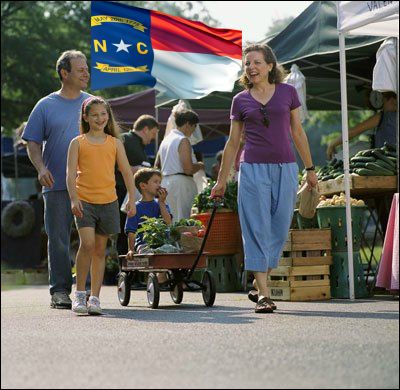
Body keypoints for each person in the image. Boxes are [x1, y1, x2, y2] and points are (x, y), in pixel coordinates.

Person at [211, 44, 318, 313]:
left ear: (270, 65)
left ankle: (260, 283)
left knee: (280, 227)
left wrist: (310, 169)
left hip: (285, 167)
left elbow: (298, 132)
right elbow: (233, 143)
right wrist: (222, 180)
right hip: (252, 168)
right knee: (256, 227)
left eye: (257, 62)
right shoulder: (240, 100)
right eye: (248, 63)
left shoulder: (288, 93)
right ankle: (264, 295)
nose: (251, 67)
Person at [22, 50, 91, 309]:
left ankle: (88, 291)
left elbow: (110, 140)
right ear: (65, 73)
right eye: (80, 69)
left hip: (90, 184)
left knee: (93, 239)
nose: (86, 73)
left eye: (87, 68)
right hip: (57, 186)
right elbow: (32, 141)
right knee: (59, 240)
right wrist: (40, 168)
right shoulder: (45, 105)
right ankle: (60, 292)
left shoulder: (93, 104)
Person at [66, 96, 136, 315]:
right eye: (94, 115)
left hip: (108, 202)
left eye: (103, 114)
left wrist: (132, 199)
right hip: (84, 201)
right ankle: (79, 294)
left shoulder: (115, 143)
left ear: (108, 116)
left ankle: (95, 298)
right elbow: (69, 174)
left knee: (99, 250)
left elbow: (126, 172)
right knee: (86, 244)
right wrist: (73, 198)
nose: (99, 118)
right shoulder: (77, 142)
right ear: (86, 117)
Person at [115, 115, 160, 255]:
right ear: (145, 129)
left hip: (132, 195)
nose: (152, 139)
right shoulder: (125, 139)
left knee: (132, 232)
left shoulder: (137, 144)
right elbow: (116, 165)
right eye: (153, 133)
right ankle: (124, 270)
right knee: (125, 232)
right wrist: (138, 169)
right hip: (122, 193)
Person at [156, 109, 204, 222]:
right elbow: (188, 169)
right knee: (182, 220)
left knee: (170, 221)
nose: (193, 131)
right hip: (181, 185)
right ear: (188, 124)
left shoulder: (165, 140)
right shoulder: (183, 140)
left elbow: (157, 165)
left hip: (166, 182)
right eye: (194, 127)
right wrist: (200, 165)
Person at [326, 91, 397, 159]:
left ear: (391, 100)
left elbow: (353, 132)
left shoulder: (384, 116)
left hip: (386, 164)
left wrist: (332, 144)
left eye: (383, 101)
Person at [125, 168, 172, 256]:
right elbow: (131, 232)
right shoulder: (135, 208)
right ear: (143, 186)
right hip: (144, 245)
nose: (159, 185)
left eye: (160, 182)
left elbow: (168, 222)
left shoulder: (162, 204)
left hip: (163, 244)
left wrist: (161, 202)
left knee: (174, 249)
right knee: (148, 252)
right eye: (155, 182)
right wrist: (130, 250)